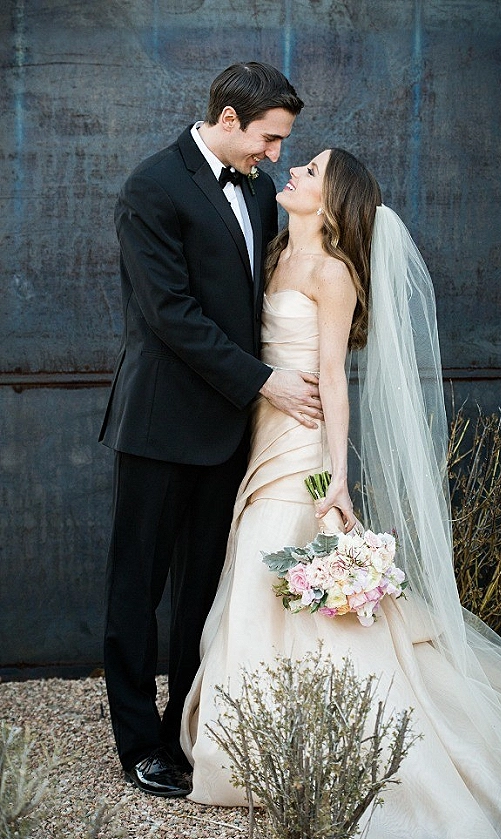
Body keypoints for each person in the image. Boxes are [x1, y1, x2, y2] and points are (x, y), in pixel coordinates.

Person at [180, 148, 501, 839]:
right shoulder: (275, 252)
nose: (294, 171)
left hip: (301, 446)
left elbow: (334, 377)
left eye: (311, 171)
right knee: (258, 571)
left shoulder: (333, 274)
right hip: (258, 431)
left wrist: (337, 477)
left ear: (333, 203)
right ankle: (262, 733)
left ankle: (288, 744)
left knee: (279, 568)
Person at [99, 62, 324, 798]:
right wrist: (265, 380)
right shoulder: (151, 186)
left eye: (283, 141)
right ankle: (140, 744)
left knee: (203, 589)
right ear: (229, 120)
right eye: (269, 138)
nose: (276, 154)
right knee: (138, 590)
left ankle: (184, 730)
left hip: (233, 429)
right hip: (161, 424)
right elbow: (170, 315)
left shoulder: (259, 190)